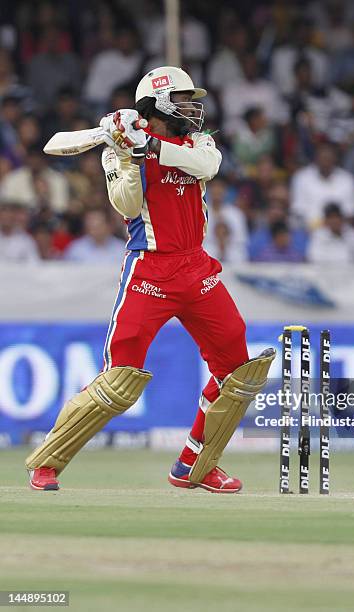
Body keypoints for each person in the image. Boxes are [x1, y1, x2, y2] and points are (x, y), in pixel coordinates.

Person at [26, 66, 274, 494]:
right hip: (150, 270)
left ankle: (195, 465)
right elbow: (125, 201)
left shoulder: (198, 140)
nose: (191, 108)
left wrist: (149, 143)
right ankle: (46, 463)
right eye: (181, 100)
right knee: (120, 377)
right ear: (157, 103)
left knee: (238, 368)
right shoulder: (119, 149)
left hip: (196, 269)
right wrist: (125, 151)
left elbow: (208, 166)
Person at [291, 141, 354, 227]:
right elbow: (298, 210)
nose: (325, 162)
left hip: (340, 231)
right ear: (316, 158)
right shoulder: (301, 177)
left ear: (335, 159)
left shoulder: (347, 179)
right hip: (309, 231)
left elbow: (350, 212)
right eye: (322, 158)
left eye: (328, 158)